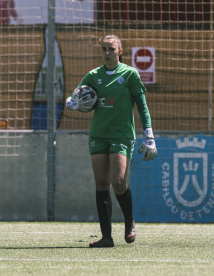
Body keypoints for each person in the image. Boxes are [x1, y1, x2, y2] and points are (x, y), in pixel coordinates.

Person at [66, 34, 157, 247]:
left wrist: (149, 135)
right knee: (101, 184)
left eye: (111, 49)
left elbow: (142, 106)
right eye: (104, 49)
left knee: (117, 181)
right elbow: (75, 96)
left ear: (120, 51)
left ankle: (129, 221)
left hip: (121, 135)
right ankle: (106, 237)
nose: (107, 53)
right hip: (98, 134)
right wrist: (72, 103)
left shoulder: (130, 74)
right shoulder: (93, 75)